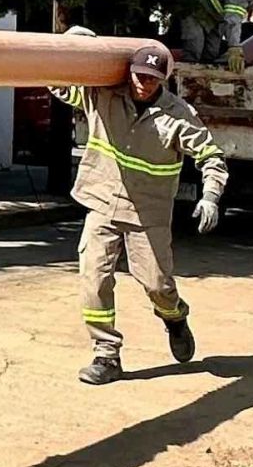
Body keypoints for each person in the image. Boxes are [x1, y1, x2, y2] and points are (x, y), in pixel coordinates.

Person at [53, 39, 227, 387]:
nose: (140, 83)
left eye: (149, 78)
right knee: (93, 278)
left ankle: (175, 317)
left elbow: (211, 157)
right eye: (137, 75)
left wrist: (210, 197)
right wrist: (71, 40)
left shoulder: (178, 116)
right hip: (102, 203)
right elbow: (59, 82)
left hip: (147, 213)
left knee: (157, 285)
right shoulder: (102, 96)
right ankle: (106, 354)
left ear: (162, 79)